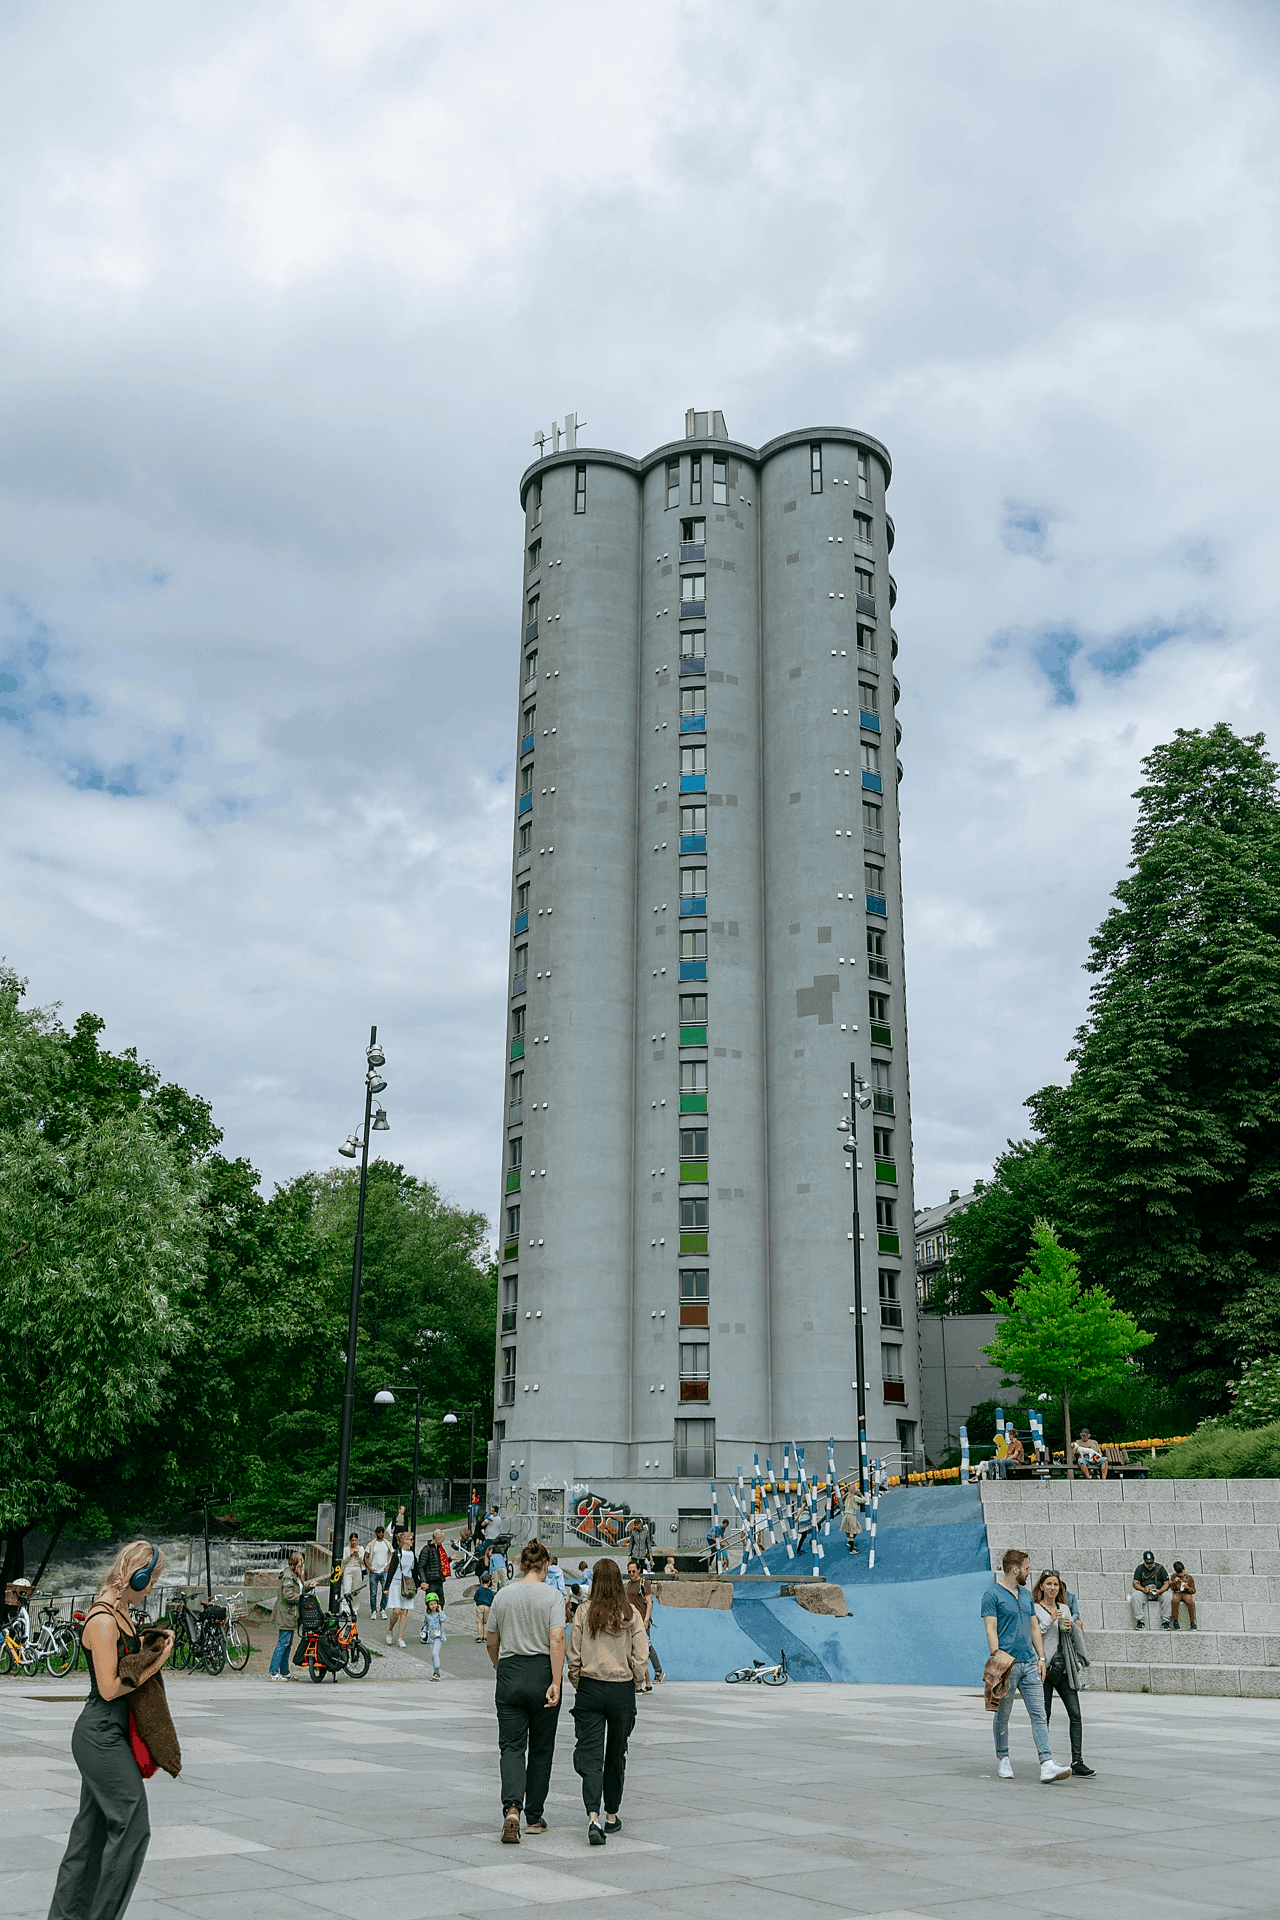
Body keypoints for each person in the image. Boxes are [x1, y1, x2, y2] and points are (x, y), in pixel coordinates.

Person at [48, 1541, 175, 1920]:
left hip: (113, 1730)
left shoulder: (122, 1612)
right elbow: (109, 1688)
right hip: (99, 1733)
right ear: (133, 1576)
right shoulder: (102, 1621)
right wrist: (158, 1662)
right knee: (134, 1828)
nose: (151, 1587)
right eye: (149, 1579)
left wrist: (148, 1647)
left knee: (89, 1839)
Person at [485, 1538, 566, 1845]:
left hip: (510, 1673)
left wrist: (498, 1666)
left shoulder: (502, 1596)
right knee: (542, 1748)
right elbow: (556, 1638)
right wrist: (556, 1680)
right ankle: (534, 1816)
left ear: (521, 1565)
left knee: (511, 1746)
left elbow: (492, 1642)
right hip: (542, 1672)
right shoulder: (553, 1597)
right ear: (545, 1566)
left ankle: (512, 1809)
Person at [568, 1556, 649, 1845]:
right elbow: (641, 1654)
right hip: (621, 1689)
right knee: (616, 1753)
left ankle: (593, 1816)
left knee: (590, 1754)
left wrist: (578, 1681)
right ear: (618, 1581)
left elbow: (573, 1654)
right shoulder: (631, 1614)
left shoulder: (584, 1612)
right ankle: (612, 1815)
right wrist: (637, 1682)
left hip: (590, 1687)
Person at [981, 1548, 1070, 1782]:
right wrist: (997, 1658)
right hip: (1007, 1665)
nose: (1029, 1573)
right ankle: (1003, 1759)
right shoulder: (992, 1595)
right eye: (1027, 1568)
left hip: (1030, 1663)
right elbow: (991, 1629)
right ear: (1015, 1569)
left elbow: (1033, 1628)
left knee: (1039, 1714)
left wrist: (1041, 1658)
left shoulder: (1026, 1595)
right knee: (1003, 1715)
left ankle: (1047, 1763)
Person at [1033, 1569, 1094, 1778]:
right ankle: (1046, 1760)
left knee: (1075, 1715)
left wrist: (1069, 1626)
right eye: (1048, 1584)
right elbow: (1035, 1635)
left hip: (1065, 1667)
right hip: (1045, 1668)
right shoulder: (1034, 1609)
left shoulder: (1065, 1608)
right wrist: (1050, 1619)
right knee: (1045, 1715)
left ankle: (1077, 1760)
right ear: (1041, 1586)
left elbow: (1068, 1636)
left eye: (1056, 1585)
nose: (1052, 1588)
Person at [264, 1550, 324, 1680]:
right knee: (282, 1643)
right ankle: (273, 1672)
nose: (302, 1566)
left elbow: (299, 1588)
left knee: (288, 1644)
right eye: (300, 1563)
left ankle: (285, 1672)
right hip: (286, 1614)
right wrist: (303, 1598)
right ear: (294, 1564)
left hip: (291, 1615)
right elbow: (288, 1595)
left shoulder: (296, 1575)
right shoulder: (288, 1577)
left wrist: (308, 1586)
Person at [625, 1559, 663, 1688]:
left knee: (647, 1647)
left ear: (639, 1570)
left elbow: (649, 1602)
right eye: (629, 1571)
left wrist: (646, 1619)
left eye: (634, 1571)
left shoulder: (644, 1583)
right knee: (637, 1648)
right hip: (632, 1621)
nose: (631, 1574)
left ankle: (658, 1671)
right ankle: (643, 1680)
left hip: (642, 1621)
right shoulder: (628, 1585)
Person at [385, 1530, 417, 1648]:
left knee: (405, 1612)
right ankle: (390, 1630)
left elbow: (414, 1571)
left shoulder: (412, 1554)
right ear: (404, 1541)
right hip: (396, 1583)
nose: (412, 1541)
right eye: (410, 1539)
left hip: (407, 1584)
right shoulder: (397, 1553)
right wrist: (387, 1587)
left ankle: (400, 1638)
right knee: (397, 1611)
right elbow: (391, 1570)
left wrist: (416, 1586)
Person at [1129, 1549, 1172, 1628]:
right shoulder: (1140, 1568)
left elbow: (1167, 1583)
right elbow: (1135, 1583)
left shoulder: (1160, 1568)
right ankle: (1140, 1621)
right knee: (1135, 1596)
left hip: (1159, 1592)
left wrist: (1160, 1591)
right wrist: (1143, 1589)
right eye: (1147, 1563)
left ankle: (1165, 1621)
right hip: (1145, 1592)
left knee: (1168, 1596)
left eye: (1151, 1562)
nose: (1149, 1564)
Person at [415, 1528, 452, 1620]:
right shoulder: (426, 1550)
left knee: (441, 1602)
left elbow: (439, 1562)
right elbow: (421, 1566)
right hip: (430, 1581)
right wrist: (423, 1581)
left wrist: (449, 1559)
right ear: (438, 1538)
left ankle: (436, 1623)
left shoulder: (438, 1549)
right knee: (431, 1605)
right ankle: (428, 1626)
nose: (443, 1541)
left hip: (439, 1580)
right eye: (442, 1539)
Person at [365, 1526, 392, 1619]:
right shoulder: (371, 1544)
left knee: (385, 1591)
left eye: (382, 1532)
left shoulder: (387, 1544)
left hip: (384, 1571)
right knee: (373, 1593)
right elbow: (365, 1557)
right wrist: (369, 1568)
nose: (381, 1534)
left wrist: (388, 1565)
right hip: (374, 1572)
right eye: (379, 1532)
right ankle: (373, 1611)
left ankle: (382, 1610)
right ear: (376, 1533)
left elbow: (392, 1554)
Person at [423, 1592, 447, 1679]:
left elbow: (443, 1619)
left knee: (435, 1653)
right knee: (432, 1656)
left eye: (435, 1603)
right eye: (431, 1604)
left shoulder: (439, 1614)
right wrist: (424, 1632)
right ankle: (434, 1672)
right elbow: (426, 1624)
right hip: (431, 1637)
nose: (433, 1605)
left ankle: (437, 1672)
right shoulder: (427, 1615)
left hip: (439, 1636)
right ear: (428, 1605)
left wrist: (440, 1610)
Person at [341, 1533, 365, 1615]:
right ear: (350, 1541)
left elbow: (363, 1561)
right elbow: (344, 1561)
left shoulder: (360, 1549)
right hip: (348, 1568)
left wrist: (358, 1555)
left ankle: (355, 1608)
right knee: (346, 1589)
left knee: (356, 1590)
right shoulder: (346, 1549)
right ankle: (345, 1609)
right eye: (352, 1540)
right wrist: (350, 1556)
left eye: (355, 1540)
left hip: (357, 1568)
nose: (354, 1542)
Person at [1170, 1561, 1198, 1630]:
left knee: (1190, 1602)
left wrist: (1187, 1587)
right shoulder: (1173, 1576)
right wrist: (1174, 1582)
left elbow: (1193, 1591)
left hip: (1186, 1593)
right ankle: (1175, 1621)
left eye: (1181, 1572)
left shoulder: (1189, 1577)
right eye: (1178, 1573)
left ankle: (1192, 1622)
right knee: (1174, 1600)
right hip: (1177, 1593)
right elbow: (1171, 1588)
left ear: (1184, 1568)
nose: (1180, 1574)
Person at [474, 1572, 496, 1641]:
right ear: (489, 1582)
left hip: (480, 1606)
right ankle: (485, 1637)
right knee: (485, 1622)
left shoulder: (479, 1590)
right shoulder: (490, 1592)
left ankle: (479, 1636)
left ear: (481, 1581)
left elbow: (475, 1597)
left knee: (479, 1622)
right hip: (487, 1607)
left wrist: (477, 1601)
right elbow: (492, 1599)